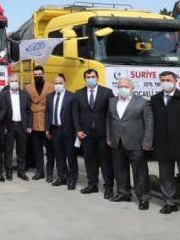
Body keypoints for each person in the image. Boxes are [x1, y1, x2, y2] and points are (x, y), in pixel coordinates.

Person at [151, 71, 180, 221]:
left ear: (176, 80)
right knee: (165, 177)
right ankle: (169, 203)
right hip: (162, 144)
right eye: (163, 80)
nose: (165, 82)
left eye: (168, 79)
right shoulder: (155, 99)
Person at [107, 78, 153, 210]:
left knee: (140, 172)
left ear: (133, 88)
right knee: (120, 169)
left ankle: (143, 198)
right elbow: (109, 120)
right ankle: (123, 193)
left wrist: (147, 142)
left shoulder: (143, 102)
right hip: (117, 142)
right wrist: (109, 136)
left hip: (136, 143)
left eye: (126, 86)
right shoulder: (112, 101)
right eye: (120, 86)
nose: (123, 88)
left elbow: (149, 123)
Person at [72, 69, 115, 198]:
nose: (90, 78)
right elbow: (75, 114)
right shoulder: (78, 93)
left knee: (106, 162)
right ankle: (92, 184)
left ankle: (109, 187)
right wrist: (78, 130)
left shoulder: (107, 92)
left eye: (92, 76)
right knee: (90, 161)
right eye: (88, 77)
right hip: (86, 134)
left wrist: (110, 133)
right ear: (85, 79)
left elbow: (111, 114)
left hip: (103, 134)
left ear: (97, 77)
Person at [45, 74, 78, 190]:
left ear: (65, 83)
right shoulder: (50, 97)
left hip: (68, 130)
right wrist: (47, 129)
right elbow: (48, 113)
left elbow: (75, 115)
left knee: (71, 156)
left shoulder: (72, 96)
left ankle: (72, 179)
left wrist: (77, 130)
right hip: (55, 130)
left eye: (60, 83)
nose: (58, 85)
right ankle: (62, 177)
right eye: (56, 83)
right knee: (59, 155)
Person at [27, 66, 55, 182]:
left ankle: (49, 173)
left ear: (43, 74)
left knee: (50, 151)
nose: (37, 76)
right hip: (34, 122)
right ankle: (40, 171)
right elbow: (27, 105)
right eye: (35, 74)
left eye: (39, 74)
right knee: (37, 150)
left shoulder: (51, 86)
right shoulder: (28, 87)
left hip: (47, 121)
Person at [2, 73, 31, 181]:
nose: (14, 83)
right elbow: (1, 112)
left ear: (19, 82)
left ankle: (21, 172)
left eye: (16, 81)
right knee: (8, 150)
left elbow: (28, 111)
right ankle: (8, 172)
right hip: (9, 127)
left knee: (22, 151)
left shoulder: (25, 94)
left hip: (22, 126)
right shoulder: (4, 94)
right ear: (8, 83)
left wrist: (29, 125)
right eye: (12, 81)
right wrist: (3, 126)